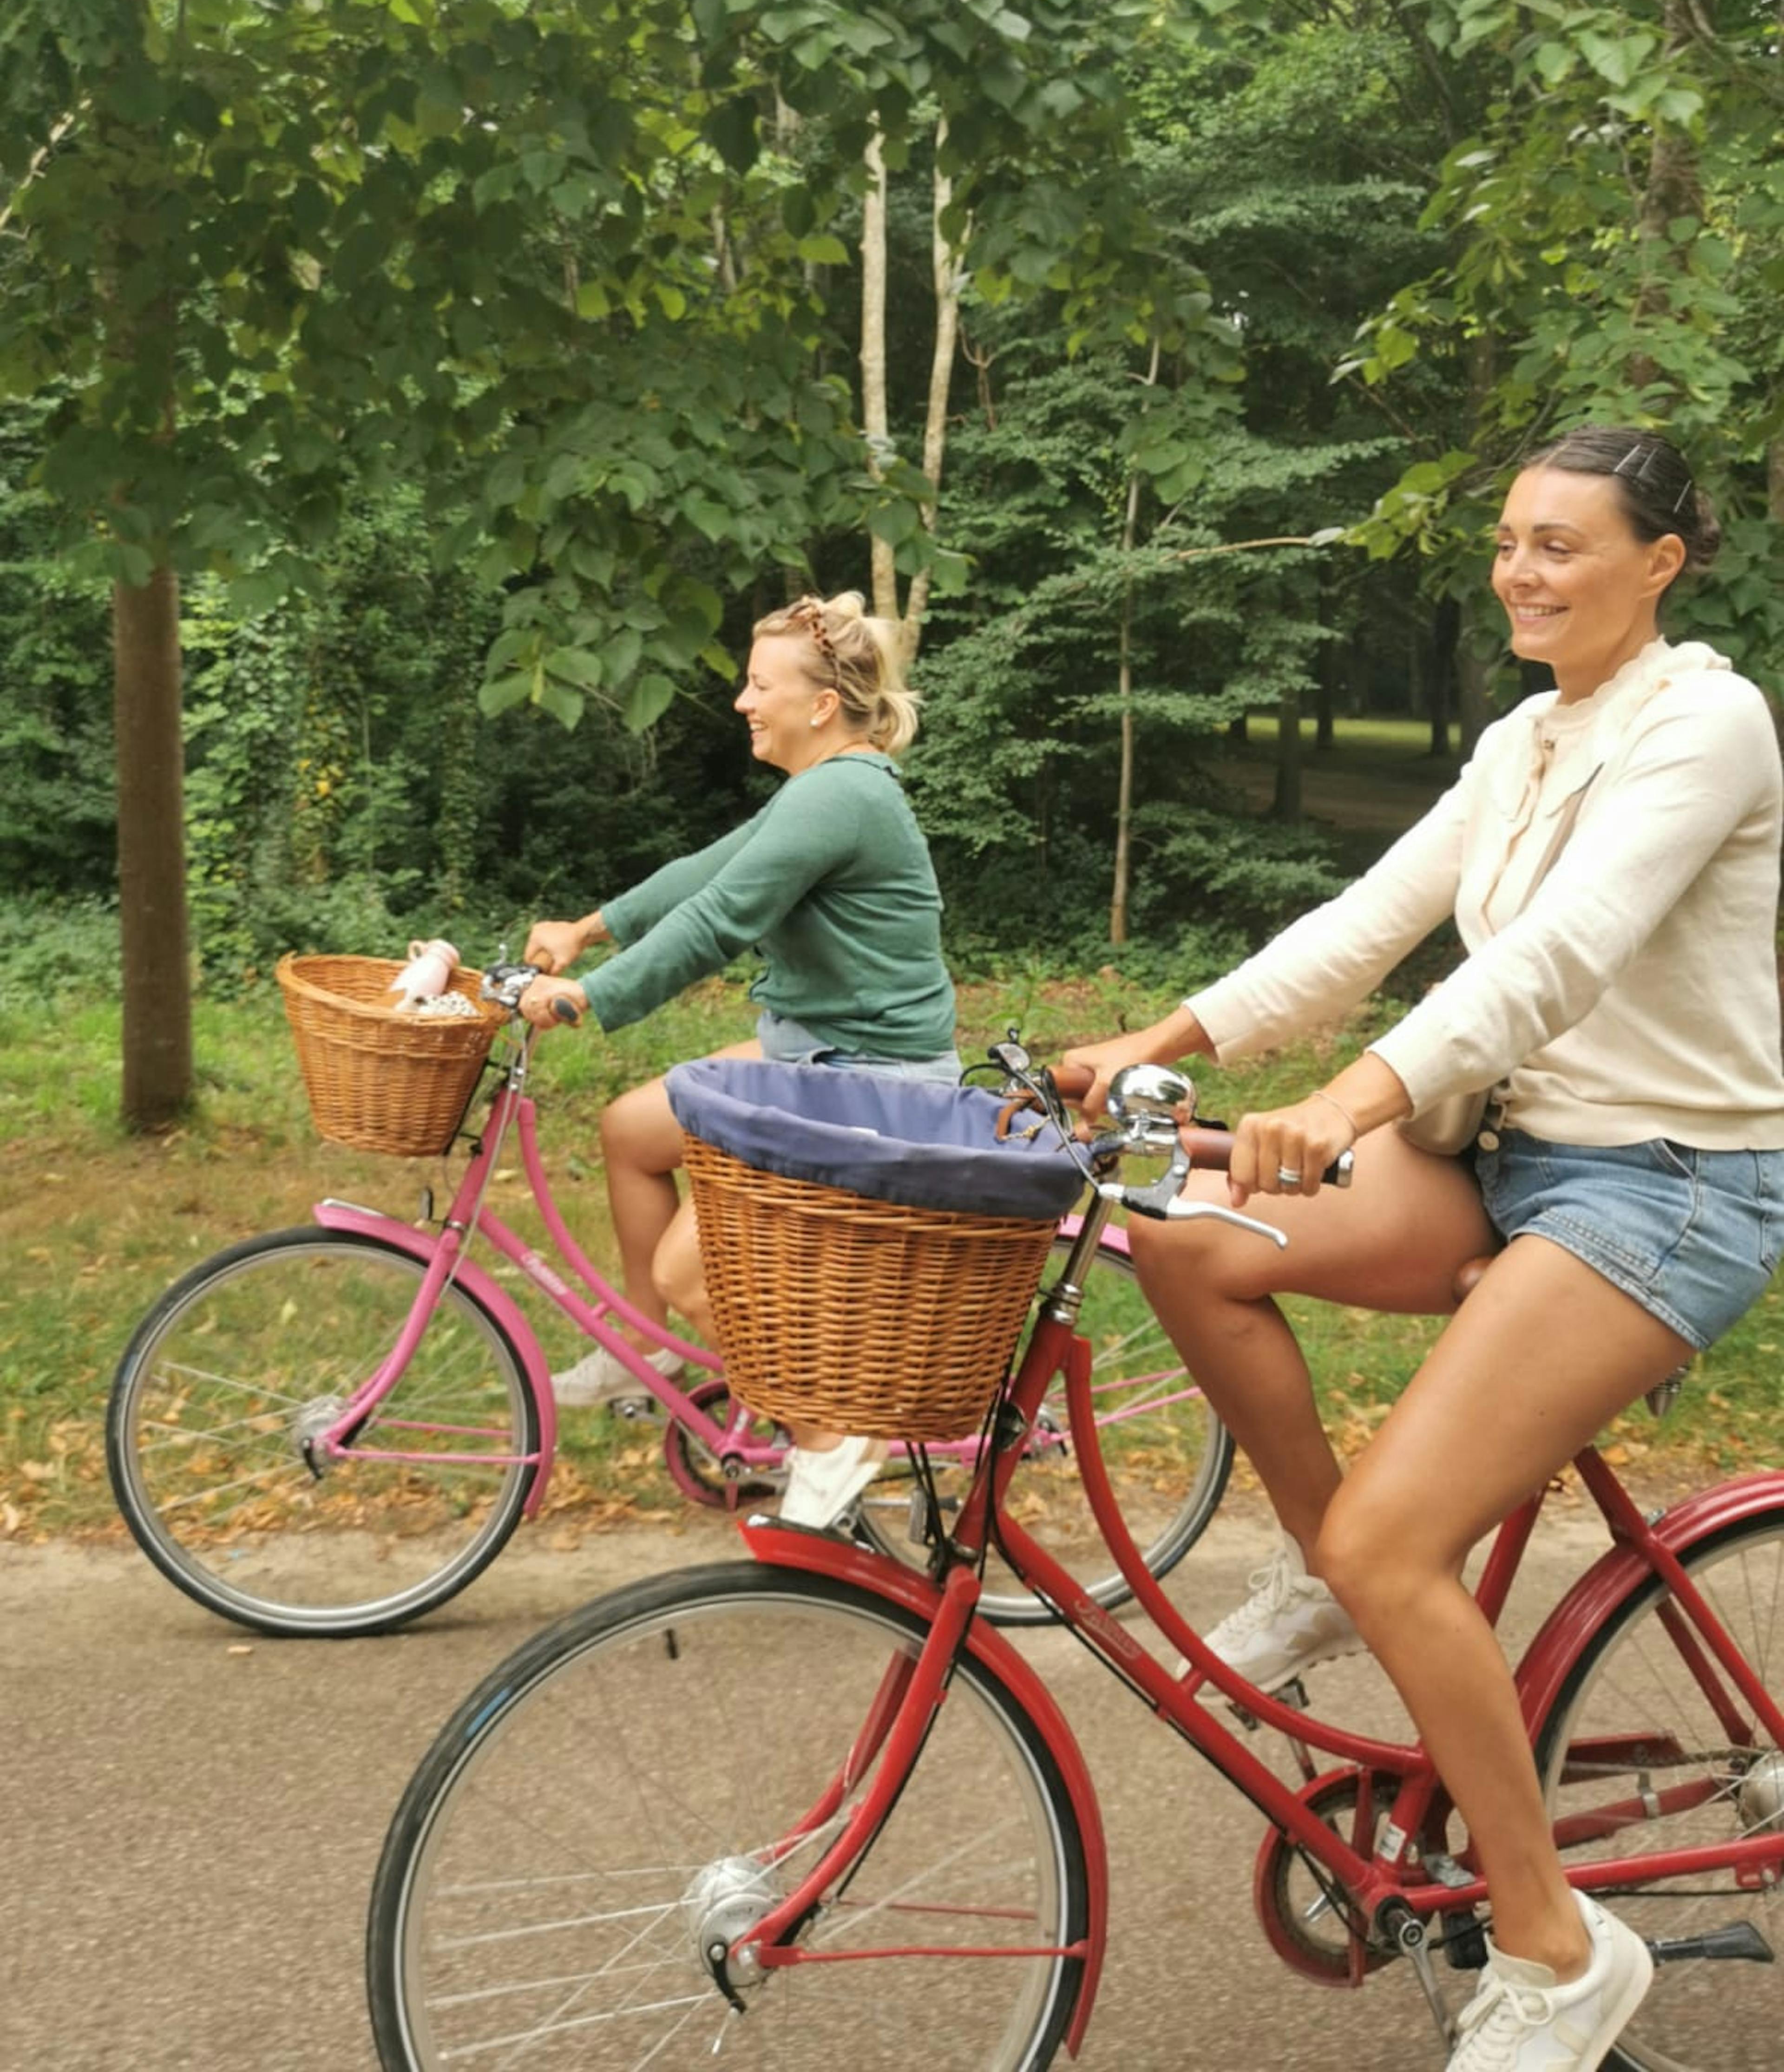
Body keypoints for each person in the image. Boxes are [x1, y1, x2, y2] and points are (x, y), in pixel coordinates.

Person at [1064, 425, 1784, 2072]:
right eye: (1512, 542)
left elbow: (1561, 957)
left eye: (1563, 545)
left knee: (1405, 1537)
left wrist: (1350, 1099)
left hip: (1666, 1182)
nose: (1521, 571)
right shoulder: (1526, 735)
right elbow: (1365, 923)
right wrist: (1158, 1035)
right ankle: (1349, 1574)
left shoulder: (1708, 726)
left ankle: (1557, 1953)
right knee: (1185, 1236)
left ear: (1659, 564)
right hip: (1508, 1157)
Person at [518, 589, 961, 1531]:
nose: (742, 702)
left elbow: (721, 920)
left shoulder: (845, 795)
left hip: (872, 1077)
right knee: (632, 1130)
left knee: (696, 1270)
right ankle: (659, 1348)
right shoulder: (822, 787)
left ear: (821, 705)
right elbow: (703, 872)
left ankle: (832, 1434)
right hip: (813, 1050)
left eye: (761, 685)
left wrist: (591, 997)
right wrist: (587, 931)